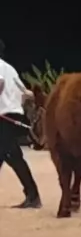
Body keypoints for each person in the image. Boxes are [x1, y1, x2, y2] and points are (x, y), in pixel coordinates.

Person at [0, 40, 41, 209]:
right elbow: (26, 94)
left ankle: (33, 195)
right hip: (14, 113)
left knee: (10, 155)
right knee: (9, 155)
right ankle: (32, 195)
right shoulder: (9, 68)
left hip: (4, 116)